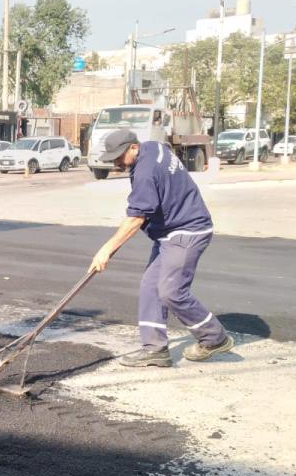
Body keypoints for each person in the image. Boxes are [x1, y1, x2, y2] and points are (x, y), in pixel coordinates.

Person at [88, 129, 235, 368]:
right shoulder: (154, 147)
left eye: (118, 156)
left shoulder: (146, 171)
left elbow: (136, 218)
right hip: (171, 231)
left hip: (187, 231)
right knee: (150, 286)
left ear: (133, 147)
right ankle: (155, 349)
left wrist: (106, 249)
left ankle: (214, 338)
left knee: (171, 292)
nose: (115, 162)